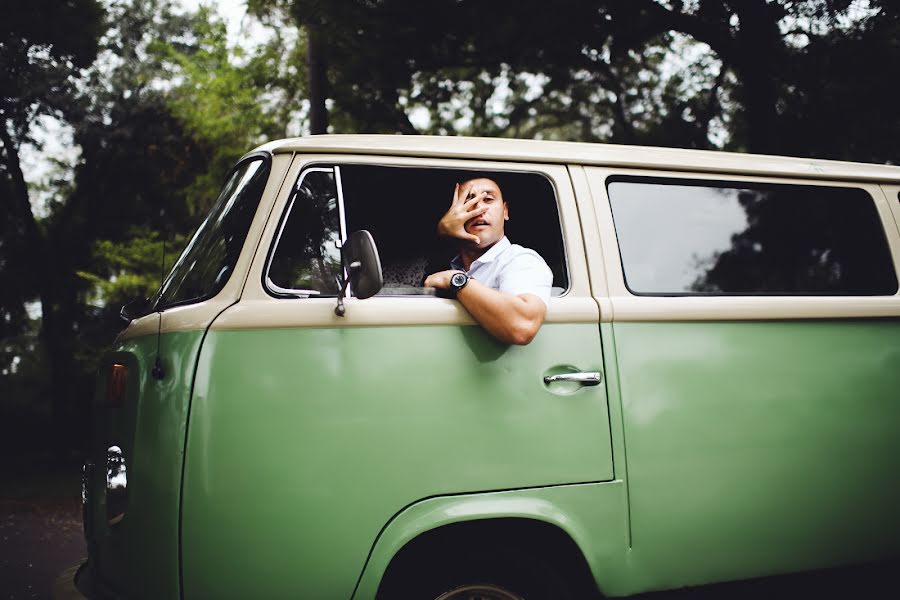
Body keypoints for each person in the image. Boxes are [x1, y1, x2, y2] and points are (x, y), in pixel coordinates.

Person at [424, 177, 553, 345]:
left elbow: (522, 325)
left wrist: (456, 279)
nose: (479, 208)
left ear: (505, 211)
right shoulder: (445, 262)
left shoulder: (520, 260)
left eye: (488, 199)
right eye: (468, 200)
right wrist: (442, 233)